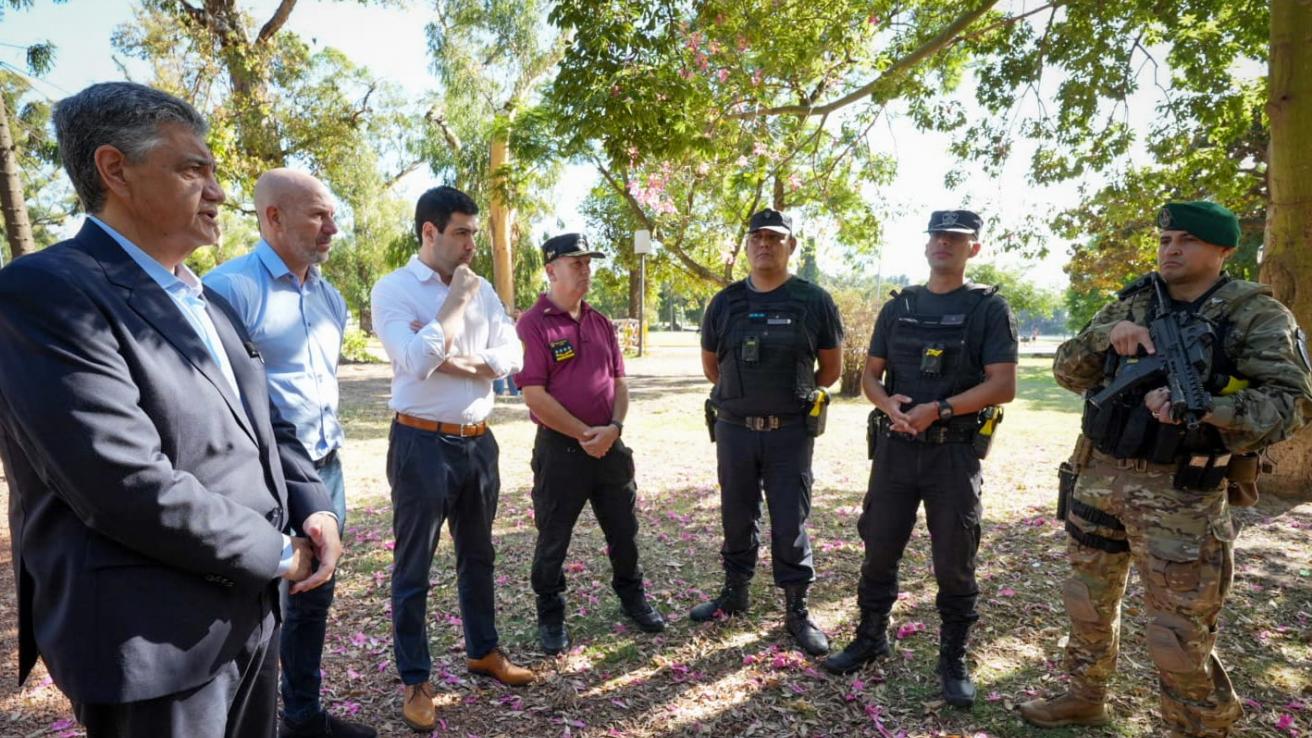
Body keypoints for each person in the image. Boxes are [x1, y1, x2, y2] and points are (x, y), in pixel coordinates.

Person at [0, 82, 341, 738]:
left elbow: (269, 422)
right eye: (193, 169)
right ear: (115, 169)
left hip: (249, 620)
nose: (217, 192)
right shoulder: (44, 294)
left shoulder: (205, 300)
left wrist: (314, 506)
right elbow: (123, 483)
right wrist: (278, 551)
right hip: (153, 642)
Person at [1019, 201, 1312, 737]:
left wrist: (1204, 408)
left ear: (1224, 250)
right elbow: (1066, 369)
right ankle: (1084, 697)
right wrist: (1107, 337)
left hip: (1183, 495)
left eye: (1187, 240)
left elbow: (1293, 403)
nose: (1170, 249)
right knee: (1085, 604)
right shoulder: (1134, 299)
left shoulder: (1255, 314)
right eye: (1165, 240)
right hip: (1099, 477)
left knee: (1177, 634)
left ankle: (1199, 728)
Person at [822, 210, 1017, 710]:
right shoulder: (900, 305)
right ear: (927, 244)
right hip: (895, 451)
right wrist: (887, 404)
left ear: (973, 248)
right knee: (879, 546)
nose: (943, 245)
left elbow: (1003, 384)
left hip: (953, 454)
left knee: (955, 559)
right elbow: (869, 376)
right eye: (937, 236)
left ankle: (953, 657)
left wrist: (941, 410)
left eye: (956, 238)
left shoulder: (988, 309)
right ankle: (870, 637)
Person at [204, 169, 374, 738]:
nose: (332, 227)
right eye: (317, 215)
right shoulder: (228, 291)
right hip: (258, 480)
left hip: (324, 471)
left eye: (332, 214)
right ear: (272, 217)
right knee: (254, 610)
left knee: (311, 600)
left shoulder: (330, 297)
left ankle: (301, 718)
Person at [370, 185, 530, 733]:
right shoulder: (393, 290)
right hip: (420, 443)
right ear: (429, 232)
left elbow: (513, 357)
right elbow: (413, 363)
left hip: (478, 442)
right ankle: (416, 679)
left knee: (479, 556)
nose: (470, 244)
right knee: (414, 567)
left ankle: (483, 652)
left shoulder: (485, 289)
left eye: (473, 232)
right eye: (460, 232)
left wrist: (456, 358)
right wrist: (456, 302)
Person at [690, 208, 842, 657]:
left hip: (790, 432)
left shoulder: (814, 301)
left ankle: (796, 610)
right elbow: (710, 366)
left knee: (790, 521)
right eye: (756, 236)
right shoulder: (725, 302)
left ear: (790, 245)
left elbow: (829, 371)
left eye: (774, 238)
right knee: (736, 514)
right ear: (747, 244)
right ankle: (734, 593)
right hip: (734, 429)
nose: (764, 244)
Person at [515, 233, 666, 655]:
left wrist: (613, 427)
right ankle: (551, 612)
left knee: (624, 530)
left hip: (609, 446)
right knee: (553, 536)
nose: (585, 270)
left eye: (587, 262)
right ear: (551, 269)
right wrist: (585, 434)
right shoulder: (532, 323)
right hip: (562, 451)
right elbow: (534, 396)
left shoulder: (600, 322)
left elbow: (620, 381)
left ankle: (632, 596)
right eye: (575, 262)